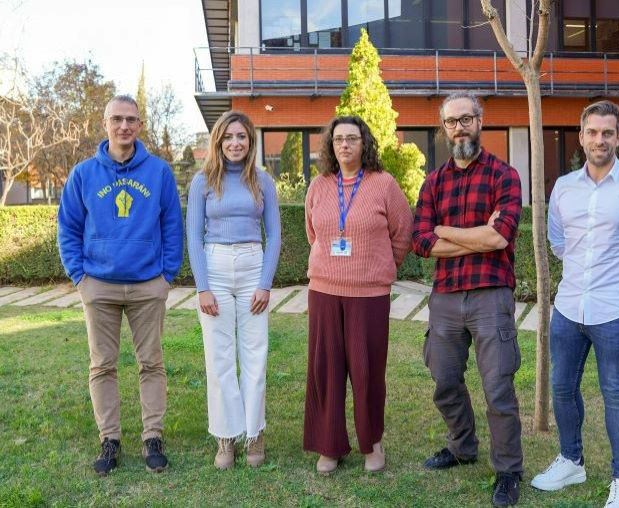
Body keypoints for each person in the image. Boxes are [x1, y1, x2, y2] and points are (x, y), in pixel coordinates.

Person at [530, 100, 619, 508]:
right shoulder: (564, 187)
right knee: (561, 387)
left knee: (617, 394)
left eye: (608, 132)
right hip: (569, 307)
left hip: (615, 311)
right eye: (593, 132)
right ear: (581, 136)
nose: (600, 140)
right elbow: (558, 243)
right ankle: (571, 460)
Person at [58, 94, 183, 476]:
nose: (124, 126)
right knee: (102, 365)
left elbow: (172, 225)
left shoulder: (159, 172)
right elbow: (68, 227)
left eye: (130, 119)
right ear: (105, 124)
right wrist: (80, 277)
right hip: (99, 285)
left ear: (140, 125)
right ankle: (109, 439)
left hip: (148, 285)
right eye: (117, 119)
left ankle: (152, 437)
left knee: (151, 363)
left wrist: (167, 276)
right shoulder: (83, 174)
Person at [412, 91, 523, 507]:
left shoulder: (503, 176)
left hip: (491, 295)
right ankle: (462, 446)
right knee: (443, 379)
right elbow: (420, 242)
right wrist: (475, 236)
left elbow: (500, 236)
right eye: (451, 121)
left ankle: (508, 469)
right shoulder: (433, 182)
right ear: (443, 128)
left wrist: (446, 230)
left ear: (481, 120)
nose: (459, 127)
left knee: (498, 386)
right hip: (445, 297)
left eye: (466, 118)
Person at [303, 115, 413, 475]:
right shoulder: (319, 186)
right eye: (338, 140)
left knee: (367, 372)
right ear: (331, 146)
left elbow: (402, 232)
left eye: (352, 138)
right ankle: (329, 445)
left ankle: (372, 443)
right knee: (326, 370)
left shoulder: (383, 184)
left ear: (364, 143)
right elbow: (313, 233)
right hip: (324, 291)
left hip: (369, 295)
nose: (345, 145)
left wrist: (379, 267)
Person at [186, 111, 281, 470]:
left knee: (255, 355)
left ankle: (254, 433)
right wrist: (203, 288)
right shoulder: (202, 182)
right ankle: (226, 436)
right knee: (219, 357)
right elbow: (194, 236)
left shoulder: (263, 182)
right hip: (216, 267)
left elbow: (273, 236)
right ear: (218, 141)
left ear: (250, 141)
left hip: (253, 265)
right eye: (228, 137)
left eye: (241, 136)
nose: (235, 143)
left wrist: (265, 284)